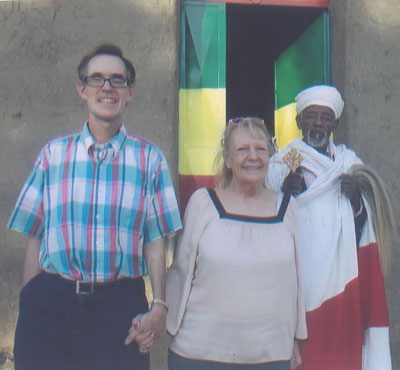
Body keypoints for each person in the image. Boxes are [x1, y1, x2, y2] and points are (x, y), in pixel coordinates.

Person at [7, 43, 182, 370]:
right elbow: (35, 233)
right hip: (50, 304)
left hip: (119, 308)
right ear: (81, 89)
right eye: (97, 79)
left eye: (117, 80)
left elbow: (156, 241)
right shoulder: (53, 155)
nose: (106, 87)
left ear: (130, 92)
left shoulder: (150, 160)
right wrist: (29, 300)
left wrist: (159, 306)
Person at [267, 85, 392, 370]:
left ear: (335, 124)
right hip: (300, 275)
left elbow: (368, 226)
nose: (319, 124)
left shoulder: (350, 164)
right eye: (312, 117)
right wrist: (285, 195)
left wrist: (356, 199)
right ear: (299, 122)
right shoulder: (283, 161)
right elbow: (267, 219)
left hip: (342, 275)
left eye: (326, 118)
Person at [166, 117, 307, 370]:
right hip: (200, 355)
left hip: (271, 356)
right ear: (228, 159)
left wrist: (297, 339)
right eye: (242, 150)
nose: (252, 157)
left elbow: (296, 281)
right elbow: (181, 270)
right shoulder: (203, 203)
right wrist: (165, 321)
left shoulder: (287, 207)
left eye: (260, 149)